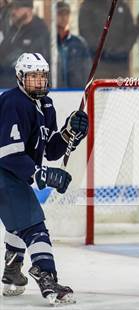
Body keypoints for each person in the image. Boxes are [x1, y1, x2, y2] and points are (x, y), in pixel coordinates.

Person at [0, 53, 88, 305]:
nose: (38, 82)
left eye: (42, 77)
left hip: (12, 173)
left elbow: (50, 149)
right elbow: (8, 153)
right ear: (20, 78)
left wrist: (70, 132)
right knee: (35, 225)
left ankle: (12, 271)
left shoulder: (46, 104)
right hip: (4, 171)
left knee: (21, 220)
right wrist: (41, 174)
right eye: (32, 77)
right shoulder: (12, 102)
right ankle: (46, 275)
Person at [79, 0, 135, 79]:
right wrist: (105, 51)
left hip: (122, 66)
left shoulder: (122, 5)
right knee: (100, 90)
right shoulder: (88, 5)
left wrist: (122, 50)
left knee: (122, 91)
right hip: (99, 67)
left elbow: (131, 32)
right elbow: (86, 33)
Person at [0, 0, 49, 88]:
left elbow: (34, 63)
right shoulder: (14, 29)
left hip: (25, 89)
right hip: (6, 85)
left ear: (29, 10)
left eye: (17, 8)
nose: (13, 12)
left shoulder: (39, 30)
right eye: (13, 8)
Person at [56, 1, 91, 88]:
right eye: (60, 14)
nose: (64, 17)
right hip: (54, 92)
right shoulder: (50, 43)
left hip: (76, 92)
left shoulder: (79, 43)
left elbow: (87, 71)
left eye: (66, 14)